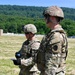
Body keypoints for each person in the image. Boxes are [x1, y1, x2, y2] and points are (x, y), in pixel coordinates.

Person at [37, 6, 68, 75]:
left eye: (46, 17)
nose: (44, 20)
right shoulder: (52, 34)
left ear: (52, 18)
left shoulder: (56, 36)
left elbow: (52, 63)